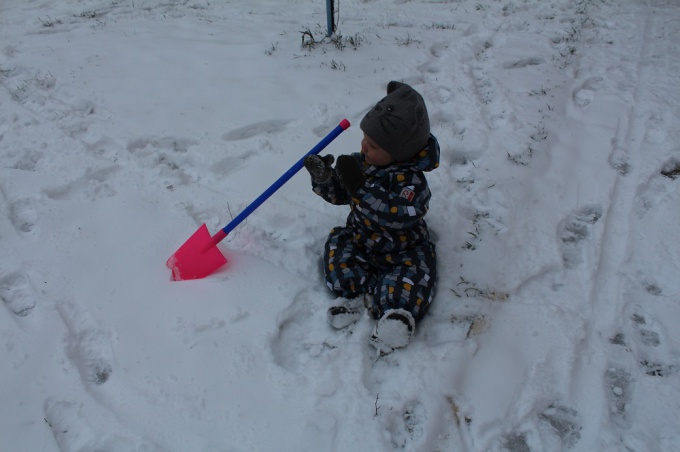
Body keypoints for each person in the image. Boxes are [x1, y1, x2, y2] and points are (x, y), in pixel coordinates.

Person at [304, 81, 439, 354]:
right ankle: (350, 296)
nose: (364, 147)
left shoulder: (412, 183)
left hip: (402, 248)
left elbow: (395, 215)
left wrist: (360, 188)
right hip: (360, 239)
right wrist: (326, 179)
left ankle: (396, 315)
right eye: (365, 138)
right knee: (338, 244)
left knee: (415, 272)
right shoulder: (362, 163)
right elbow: (343, 194)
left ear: (400, 152)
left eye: (373, 145)